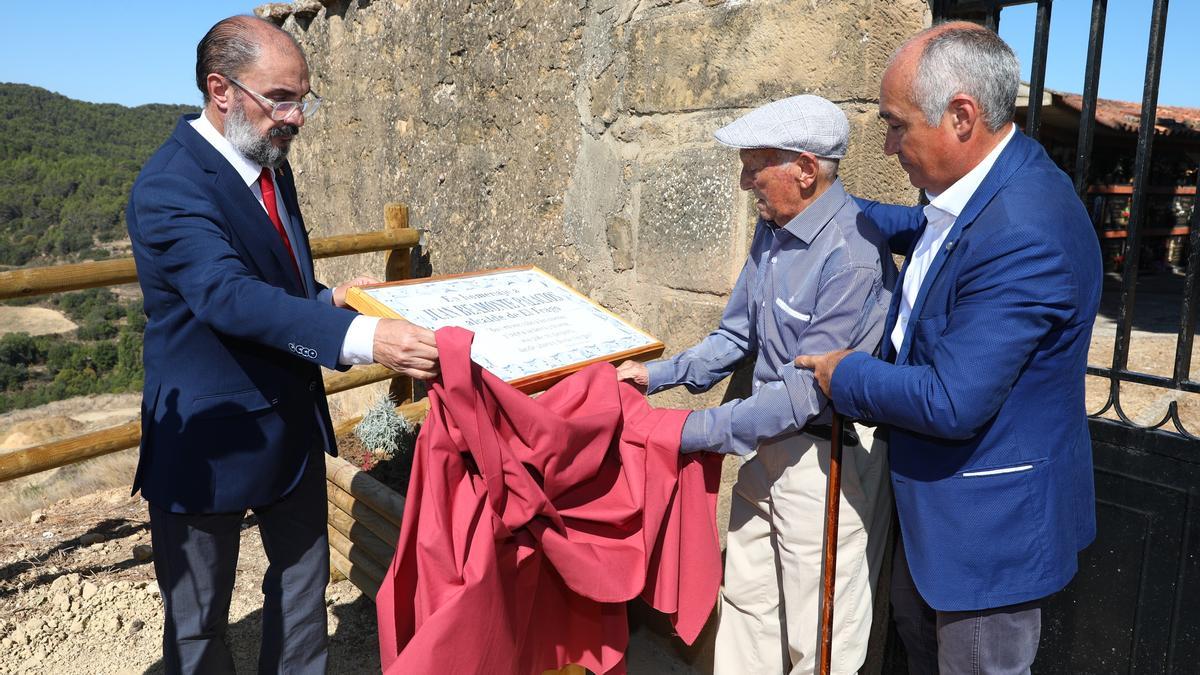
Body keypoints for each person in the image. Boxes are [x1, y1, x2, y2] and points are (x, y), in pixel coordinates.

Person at [126, 16, 438, 674]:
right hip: (209, 442)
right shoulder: (167, 187)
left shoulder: (268, 155)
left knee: (301, 597)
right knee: (199, 624)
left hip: (291, 425)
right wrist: (364, 336)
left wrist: (323, 299)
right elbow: (225, 294)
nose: (297, 117)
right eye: (282, 99)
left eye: (304, 99)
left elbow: (271, 277)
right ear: (221, 90)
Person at [796, 23, 1102, 674]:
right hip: (939, 509)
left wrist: (842, 372)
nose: (887, 143)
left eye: (898, 125)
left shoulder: (1026, 231)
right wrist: (834, 208)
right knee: (918, 636)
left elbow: (950, 399)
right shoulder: (992, 179)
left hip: (986, 535)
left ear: (962, 116)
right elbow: (932, 232)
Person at [617, 95, 896, 674]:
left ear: (805, 169)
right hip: (766, 445)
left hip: (826, 462)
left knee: (822, 641)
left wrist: (687, 431)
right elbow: (735, 336)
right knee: (747, 609)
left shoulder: (853, 255)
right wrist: (654, 377)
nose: (746, 183)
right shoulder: (773, 232)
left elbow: (802, 396)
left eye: (754, 166)